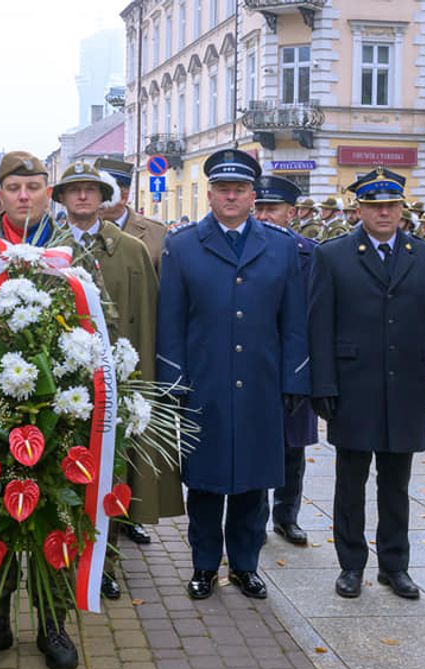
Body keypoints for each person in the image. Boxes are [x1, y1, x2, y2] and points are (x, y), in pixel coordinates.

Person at [157, 149, 310, 602]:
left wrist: (294, 381)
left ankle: (245, 566)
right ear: (209, 194)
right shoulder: (182, 246)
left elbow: (294, 322)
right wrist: (173, 383)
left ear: (251, 195)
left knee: (253, 484)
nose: (231, 196)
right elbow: (171, 322)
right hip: (203, 384)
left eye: (240, 189)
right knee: (204, 483)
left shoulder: (281, 246)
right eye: (223, 189)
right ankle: (204, 566)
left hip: (261, 384)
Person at [0, 150, 88, 669]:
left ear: (45, 191)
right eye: (15, 188)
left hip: (57, 409)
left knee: (54, 515)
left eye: (34, 187)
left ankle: (53, 621)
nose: (24, 196)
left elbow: (94, 323)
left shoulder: (71, 249)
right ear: (0, 192)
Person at [309, 167, 425, 601]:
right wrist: (323, 385)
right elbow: (319, 326)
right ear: (360, 209)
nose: (384, 213)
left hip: (407, 388)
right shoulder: (333, 255)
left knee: (396, 486)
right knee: (350, 484)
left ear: (401, 208)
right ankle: (351, 565)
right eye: (375, 206)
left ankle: (395, 566)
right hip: (353, 388)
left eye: (391, 205)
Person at [54, 160, 179, 599]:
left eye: (91, 190)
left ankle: (103, 563)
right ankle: (62, 559)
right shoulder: (51, 248)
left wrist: (144, 386)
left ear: (103, 197)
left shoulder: (130, 251)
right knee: (65, 474)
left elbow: (146, 320)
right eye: (75, 190)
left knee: (110, 474)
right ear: (63, 199)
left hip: (117, 388)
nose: (83, 197)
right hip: (65, 390)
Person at [252, 174, 317, 547]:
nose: (263, 216)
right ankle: (256, 518)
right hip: (256, 365)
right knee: (258, 443)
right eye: (258, 208)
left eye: (271, 209)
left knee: (293, 447)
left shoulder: (310, 252)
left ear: (290, 213)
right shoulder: (243, 250)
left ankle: (287, 516)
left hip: (296, 364)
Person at [95, 157, 167, 275]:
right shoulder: (82, 228)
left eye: (103, 194)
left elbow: (164, 284)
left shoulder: (156, 233)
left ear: (123, 197)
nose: (95, 200)